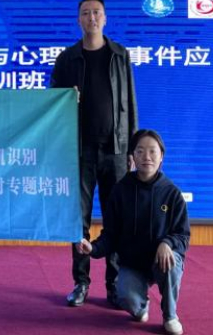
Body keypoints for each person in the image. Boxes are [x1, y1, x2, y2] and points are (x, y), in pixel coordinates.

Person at [50, 0, 138, 307]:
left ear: (105, 18)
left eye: (97, 12)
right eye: (86, 13)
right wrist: (65, 98)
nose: (92, 18)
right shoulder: (67, 58)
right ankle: (81, 282)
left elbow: (130, 101)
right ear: (78, 19)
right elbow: (52, 102)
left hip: (116, 150)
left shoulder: (119, 55)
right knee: (79, 220)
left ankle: (114, 285)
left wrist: (132, 145)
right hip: (79, 151)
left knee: (116, 219)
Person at [76, 129, 189, 335]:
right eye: (140, 151)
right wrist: (93, 248)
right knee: (126, 299)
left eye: (153, 151)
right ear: (132, 156)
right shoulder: (120, 191)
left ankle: (170, 316)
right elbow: (111, 234)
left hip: (161, 260)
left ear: (161, 156)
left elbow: (182, 235)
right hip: (133, 263)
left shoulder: (172, 193)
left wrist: (167, 243)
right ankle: (140, 306)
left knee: (171, 260)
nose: (147, 157)